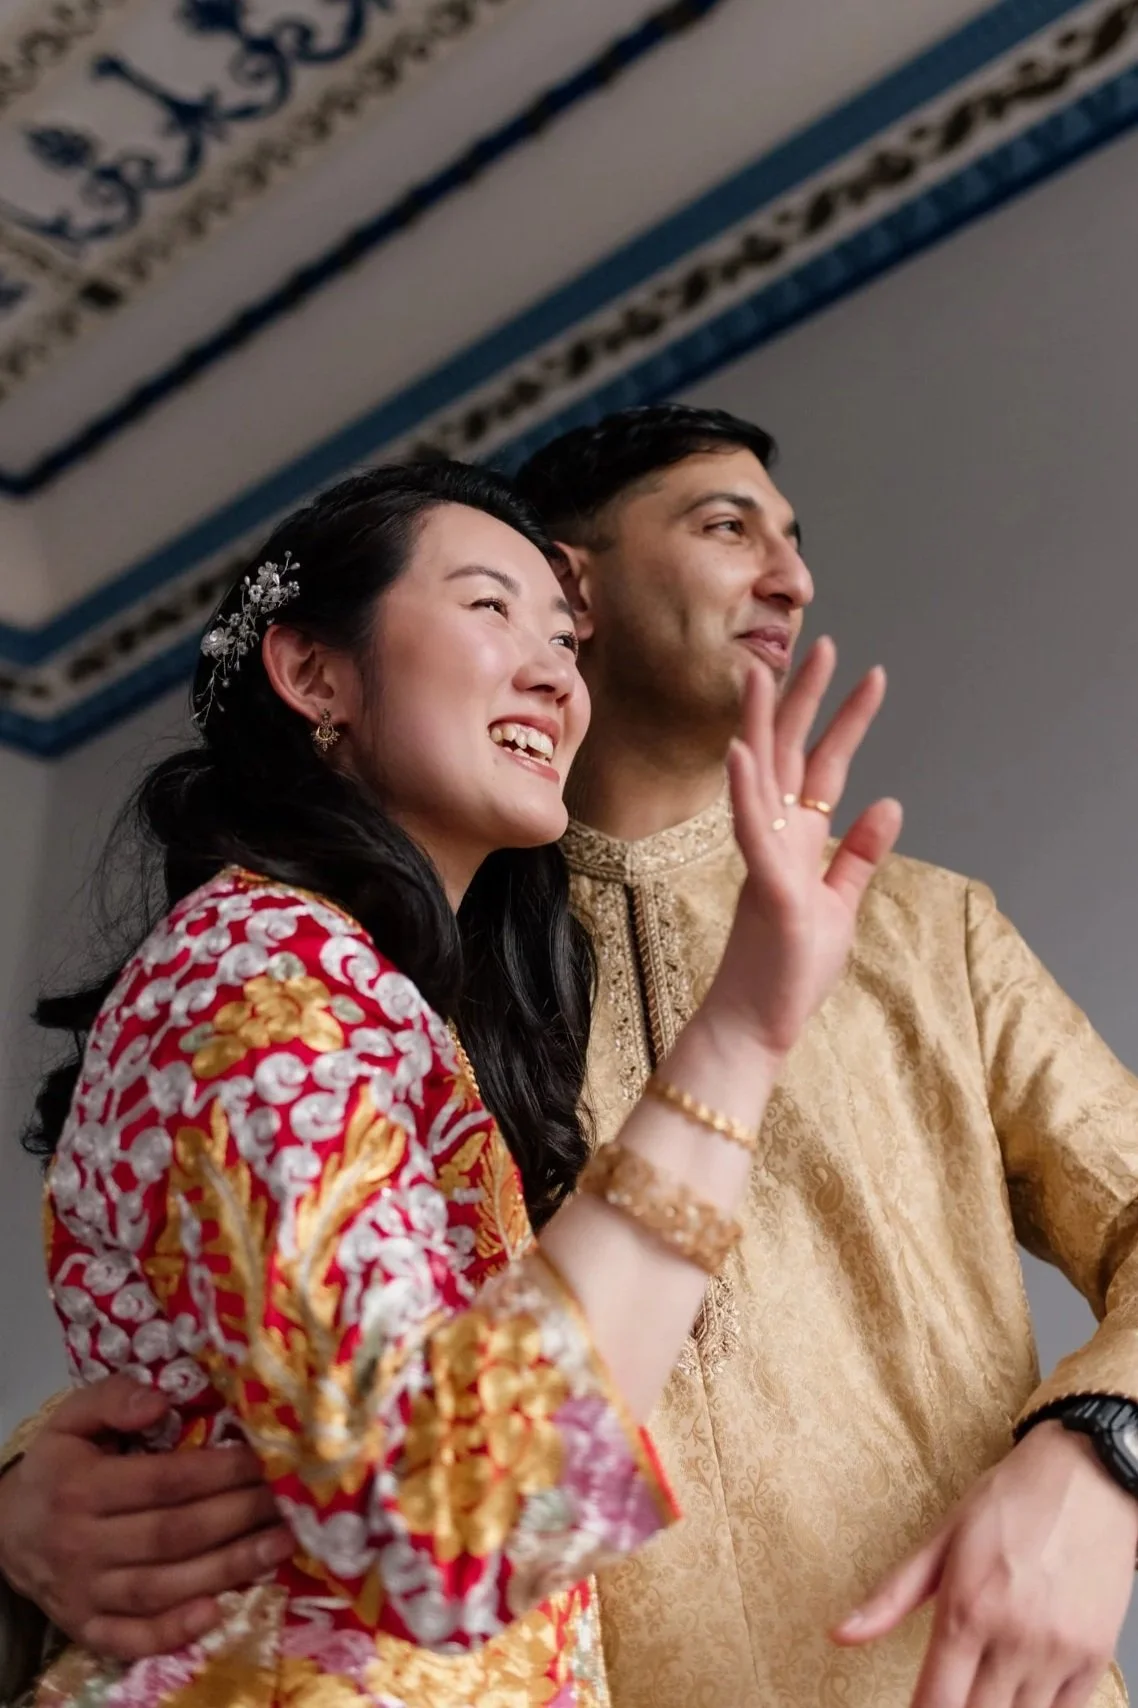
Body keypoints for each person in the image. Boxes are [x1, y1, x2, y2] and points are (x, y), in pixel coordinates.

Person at [3, 406, 1137, 1708]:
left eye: (792, 538)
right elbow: (321, 1392)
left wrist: (1102, 1450)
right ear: (578, 584)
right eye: (725, 525)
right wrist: (28, 1509)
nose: (792, 576)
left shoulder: (922, 930)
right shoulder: (374, 974)